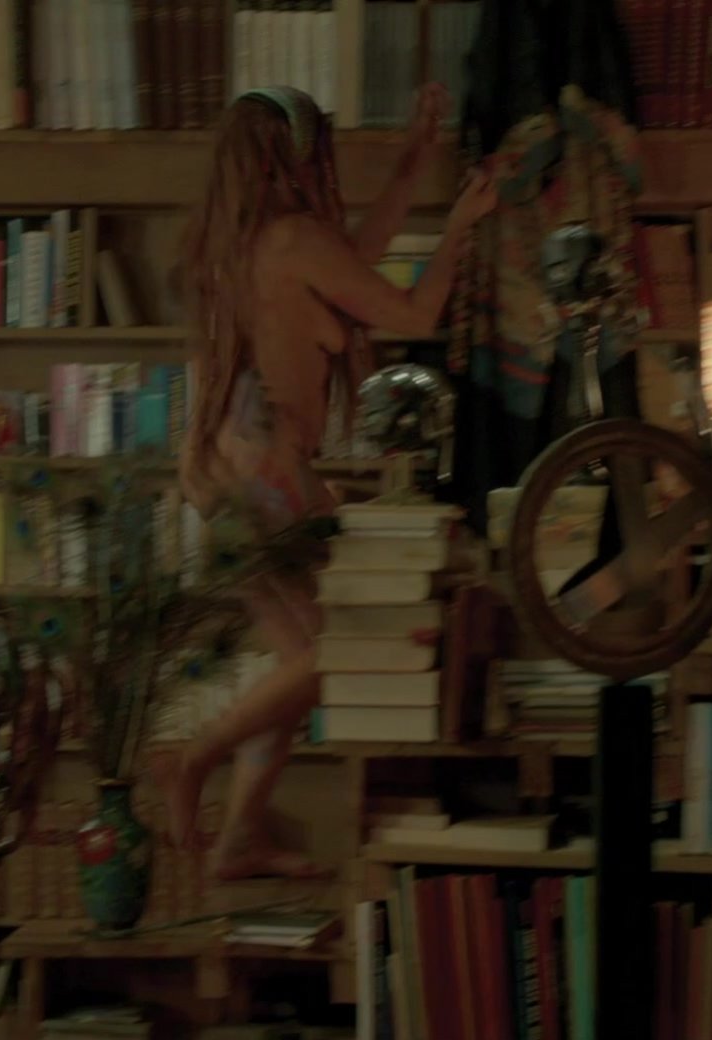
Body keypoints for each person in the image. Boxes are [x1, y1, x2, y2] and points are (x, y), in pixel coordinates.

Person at [155, 84, 498, 880]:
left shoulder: (232, 243)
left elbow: (350, 266)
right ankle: (196, 756)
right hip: (265, 473)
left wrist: (411, 168)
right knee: (336, 650)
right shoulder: (294, 239)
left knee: (299, 661)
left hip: (217, 470)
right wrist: (458, 228)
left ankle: (238, 836)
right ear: (294, 154)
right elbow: (412, 315)